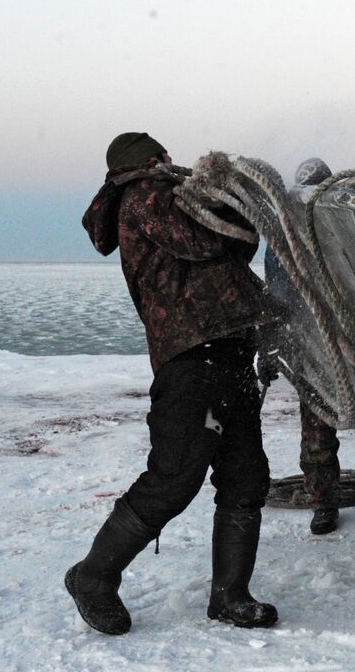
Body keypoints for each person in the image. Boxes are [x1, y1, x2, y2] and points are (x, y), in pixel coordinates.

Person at [66, 131, 279, 635]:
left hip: (227, 348)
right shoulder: (144, 195)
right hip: (191, 357)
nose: (171, 161)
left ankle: (230, 595)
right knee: (176, 475)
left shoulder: (167, 197)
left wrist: (235, 209)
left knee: (246, 476)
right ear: (149, 160)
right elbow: (202, 240)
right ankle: (93, 576)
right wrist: (237, 205)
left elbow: (229, 256)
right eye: (163, 156)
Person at [262, 157, 355, 536]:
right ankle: (328, 503)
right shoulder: (284, 239)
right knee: (322, 429)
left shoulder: (341, 226)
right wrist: (275, 344)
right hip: (315, 343)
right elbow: (279, 292)